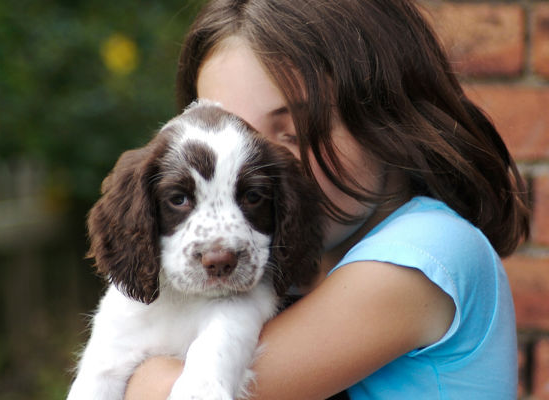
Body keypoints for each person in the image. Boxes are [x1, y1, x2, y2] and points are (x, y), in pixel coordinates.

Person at [124, 0, 530, 398]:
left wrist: (134, 374)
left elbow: (171, 392)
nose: (261, 169)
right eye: (233, 138)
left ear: (387, 116)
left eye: (298, 130)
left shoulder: (426, 251)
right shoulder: (302, 270)